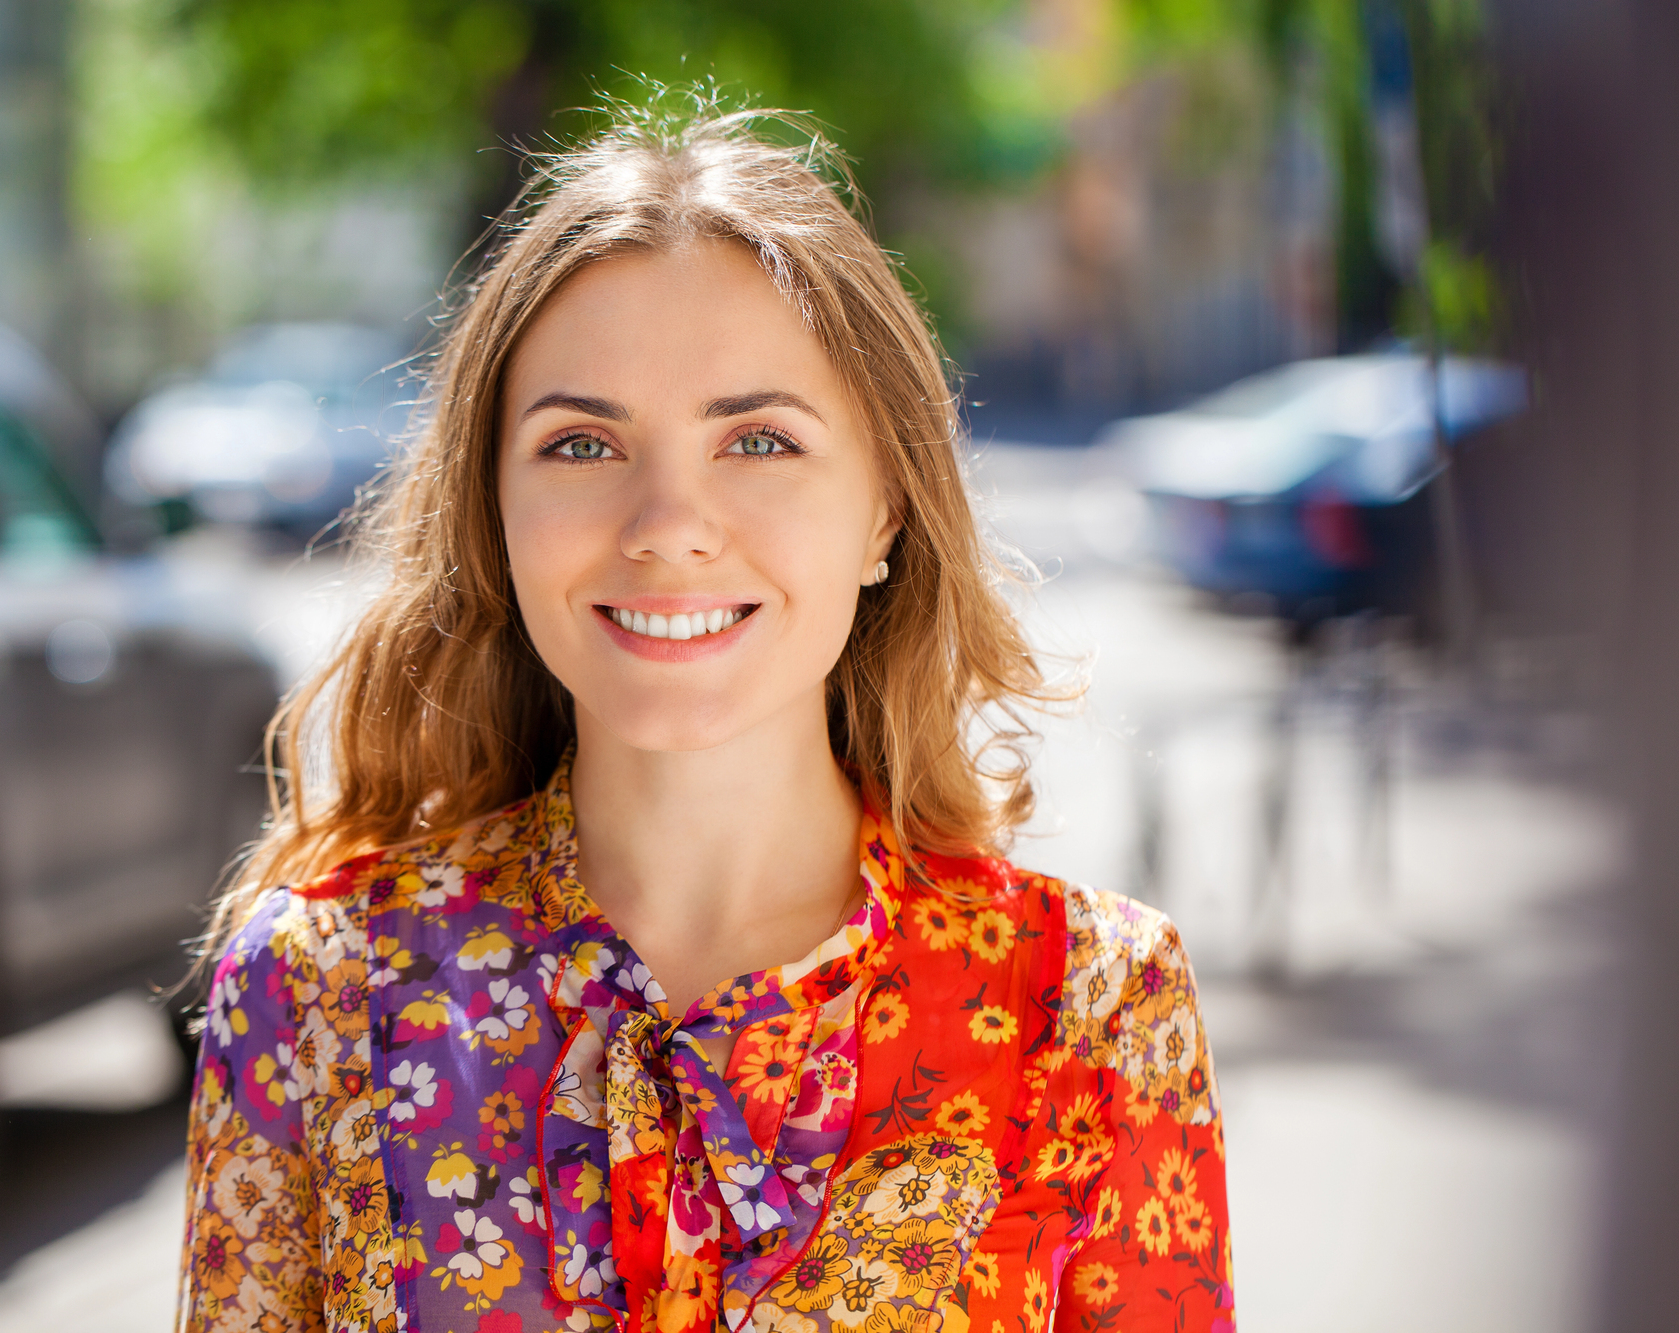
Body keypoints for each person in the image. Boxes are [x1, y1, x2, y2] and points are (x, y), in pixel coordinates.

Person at [177, 106, 1234, 1333]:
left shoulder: (1091, 1005)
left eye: (758, 440)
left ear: (884, 509)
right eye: (580, 443)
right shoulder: (316, 994)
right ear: (494, 511)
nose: (668, 523)